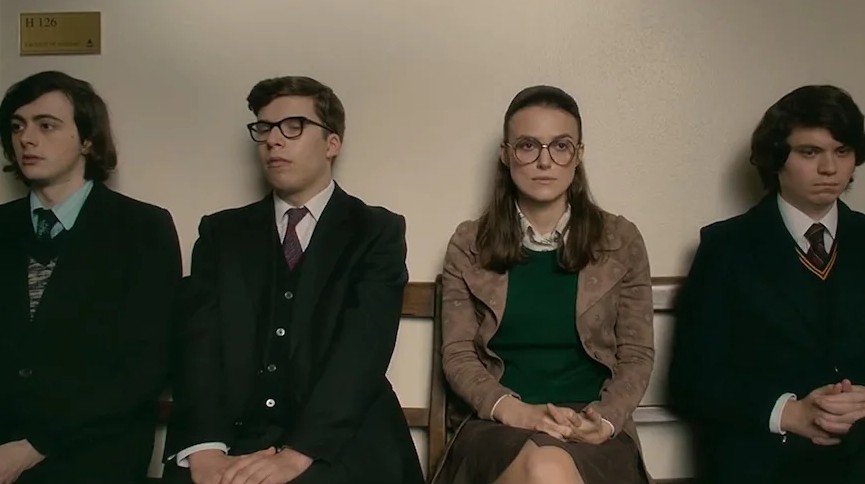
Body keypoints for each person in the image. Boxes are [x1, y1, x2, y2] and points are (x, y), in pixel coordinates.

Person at [163, 75, 424, 484]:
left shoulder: (376, 231)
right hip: (233, 435)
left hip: (340, 440)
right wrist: (205, 448)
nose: (273, 140)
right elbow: (199, 344)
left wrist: (298, 454)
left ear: (332, 143)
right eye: (264, 127)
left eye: (293, 127)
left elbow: (363, 350)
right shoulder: (221, 233)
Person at [432, 85, 654, 484]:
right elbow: (458, 355)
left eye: (561, 146)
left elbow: (636, 355)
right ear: (506, 154)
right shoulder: (469, 243)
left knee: (549, 469)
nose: (545, 161)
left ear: (578, 155)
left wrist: (605, 419)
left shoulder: (621, 241)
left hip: (592, 427)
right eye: (528, 146)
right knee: (546, 470)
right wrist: (514, 410)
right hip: (497, 423)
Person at [669, 85, 865, 484]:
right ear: (776, 158)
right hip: (765, 459)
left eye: (842, 151)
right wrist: (788, 412)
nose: (830, 168)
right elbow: (691, 379)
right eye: (810, 152)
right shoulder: (726, 247)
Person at [0, 71, 182, 483]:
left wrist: (34, 446)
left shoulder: (142, 228)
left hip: (96, 455)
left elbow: (145, 365)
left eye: (46, 125)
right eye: (17, 126)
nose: (27, 139)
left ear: (87, 140)